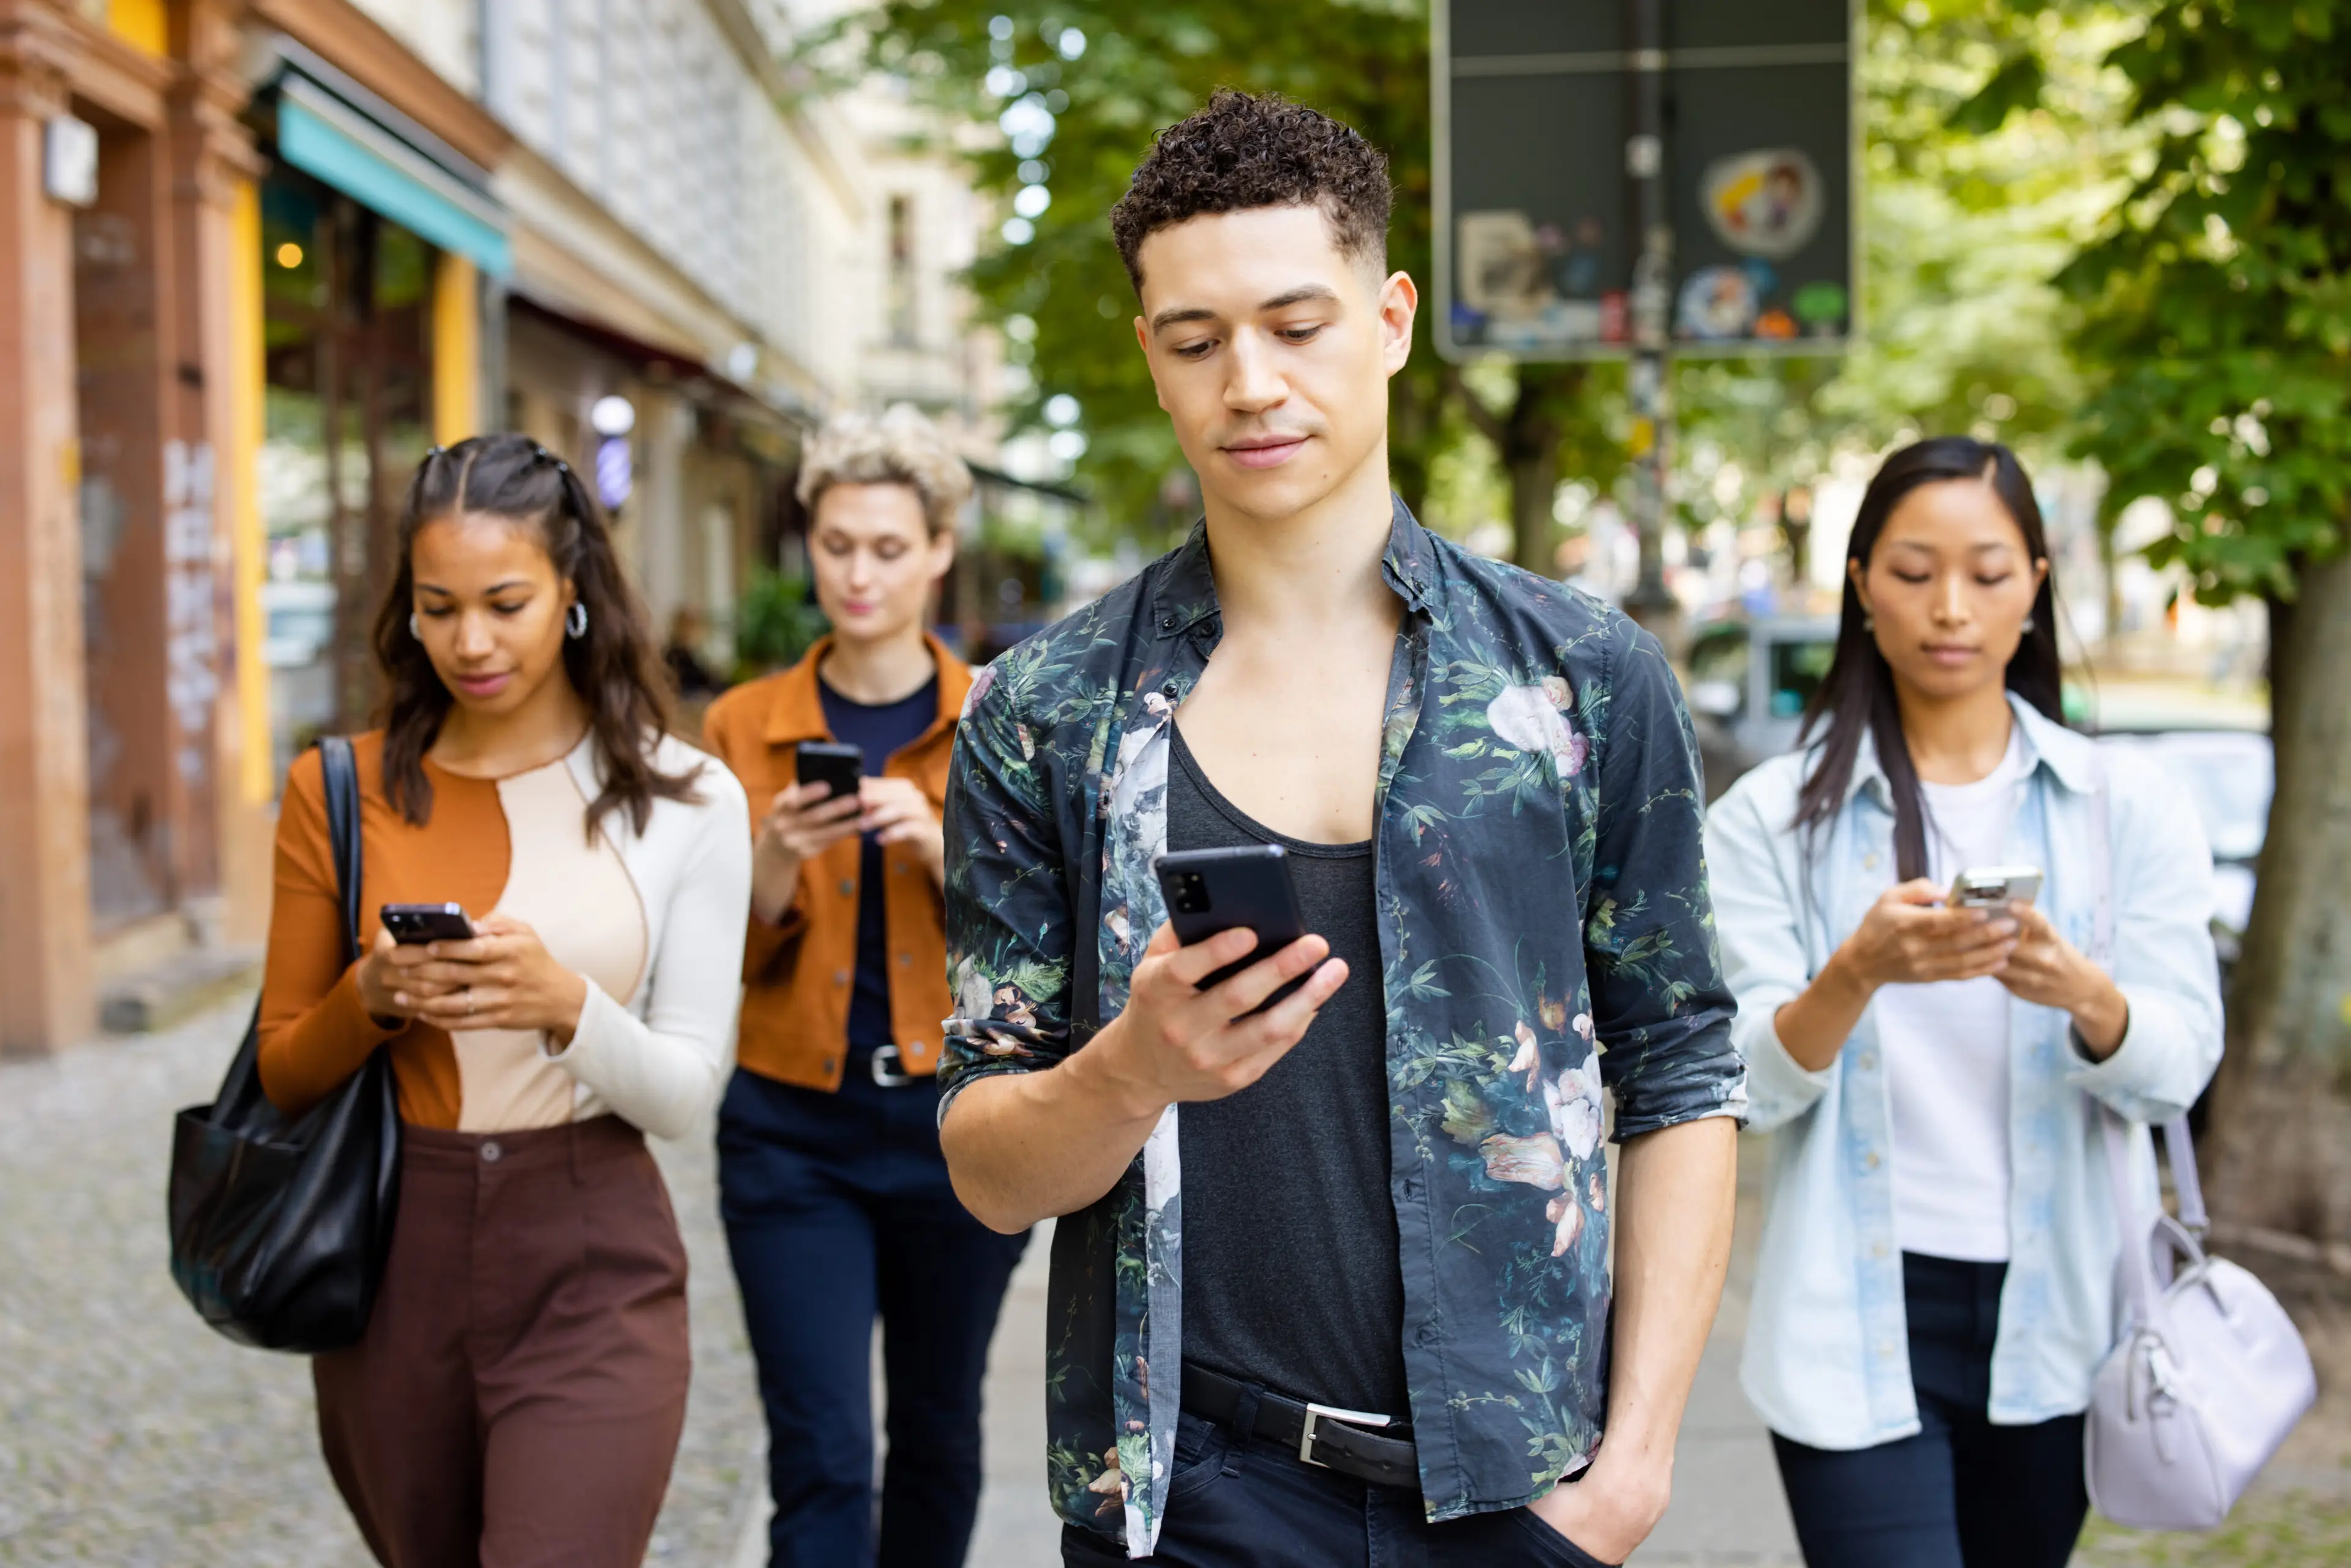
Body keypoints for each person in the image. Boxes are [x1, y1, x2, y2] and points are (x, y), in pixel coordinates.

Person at [936, 91, 1745, 1568]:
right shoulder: (1040, 712)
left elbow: (1682, 1060)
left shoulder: (1579, 675)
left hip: (1525, 1484)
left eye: (1296, 324)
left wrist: (1629, 1472)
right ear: (1151, 358)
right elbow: (988, 1166)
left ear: (1390, 317)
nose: (1250, 381)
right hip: (1196, 1492)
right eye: (1196, 340)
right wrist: (1130, 1071)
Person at [1703, 437, 2224, 1568]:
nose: (1951, 608)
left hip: (2067, 1311)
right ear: (1859, 585)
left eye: (1989, 574)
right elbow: (1738, 1087)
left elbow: (2180, 1064)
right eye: (1912, 571)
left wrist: (2087, 997)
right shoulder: (1768, 820)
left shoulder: (2121, 808)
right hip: (1853, 1310)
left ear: (2037, 585)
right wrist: (1855, 976)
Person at [254, 433, 752, 1567]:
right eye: (438, 608)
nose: (469, 642)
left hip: (591, 1252)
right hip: (392, 1262)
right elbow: (283, 1066)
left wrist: (566, 1005)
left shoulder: (688, 798)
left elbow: (682, 1094)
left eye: (506, 602)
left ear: (574, 594)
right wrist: (373, 993)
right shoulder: (339, 788)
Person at [702, 405, 1028, 1568]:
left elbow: (1053, 947)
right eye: (838, 545)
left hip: (961, 1127)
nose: (858, 573)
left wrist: (944, 849)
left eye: (888, 548)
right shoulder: (743, 726)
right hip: (792, 1132)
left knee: (939, 1433)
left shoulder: (1001, 717)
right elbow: (701, 968)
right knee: (824, 1451)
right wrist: (775, 864)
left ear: (940, 547)